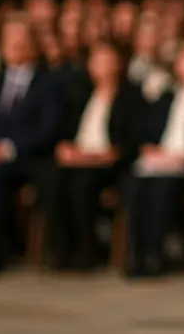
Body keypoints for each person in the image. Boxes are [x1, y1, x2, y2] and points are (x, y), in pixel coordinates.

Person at [124, 39, 184, 277]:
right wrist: (150, 149)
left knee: (163, 188)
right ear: (177, 65)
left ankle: (157, 255)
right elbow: (145, 131)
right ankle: (137, 254)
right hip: (161, 159)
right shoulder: (166, 96)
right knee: (135, 185)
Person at [0, 18, 62, 272]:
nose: (17, 46)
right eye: (11, 40)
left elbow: (48, 129)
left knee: (51, 178)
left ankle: (54, 248)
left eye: (23, 40)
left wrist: (7, 148)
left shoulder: (49, 83)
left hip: (32, 156)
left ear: (34, 45)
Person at [48, 40, 139, 270]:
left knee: (82, 183)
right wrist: (66, 148)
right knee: (52, 179)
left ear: (119, 63)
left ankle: (86, 250)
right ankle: (61, 249)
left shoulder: (130, 96)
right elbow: (64, 130)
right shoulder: (79, 93)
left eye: (108, 60)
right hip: (79, 157)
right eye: (97, 61)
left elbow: (126, 145)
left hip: (109, 163)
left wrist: (95, 157)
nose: (103, 66)